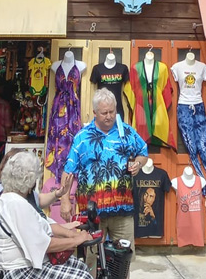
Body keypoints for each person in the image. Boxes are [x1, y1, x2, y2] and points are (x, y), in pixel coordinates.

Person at [59, 88, 147, 277]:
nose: (109, 116)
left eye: (112, 112)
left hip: (123, 211)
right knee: (90, 261)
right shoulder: (82, 138)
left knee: (123, 259)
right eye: (104, 113)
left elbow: (143, 151)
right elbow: (68, 171)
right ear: (95, 113)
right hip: (92, 214)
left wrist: (138, 164)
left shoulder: (127, 132)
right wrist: (65, 201)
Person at [0, 152, 92, 279]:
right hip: (19, 271)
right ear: (30, 181)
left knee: (79, 265)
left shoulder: (13, 198)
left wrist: (73, 234)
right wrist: (76, 240)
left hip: (26, 264)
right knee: (83, 277)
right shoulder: (15, 204)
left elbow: (45, 224)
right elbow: (43, 245)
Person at [0, 148, 75, 226]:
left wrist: (58, 193)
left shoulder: (8, 186)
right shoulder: (6, 195)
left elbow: (37, 199)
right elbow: (39, 232)